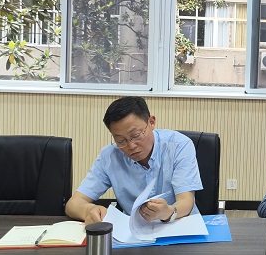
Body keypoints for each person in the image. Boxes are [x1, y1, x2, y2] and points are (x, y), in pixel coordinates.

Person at [65, 96, 203, 225]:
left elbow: (186, 202)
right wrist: (89, 210)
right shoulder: (110, 156)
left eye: (136, 135)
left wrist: (168, 212)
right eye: (121, 141)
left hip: (179, 227)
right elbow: (73, 204)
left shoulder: (179, 145)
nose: (131, 146)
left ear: (151, 122)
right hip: (134, 233)